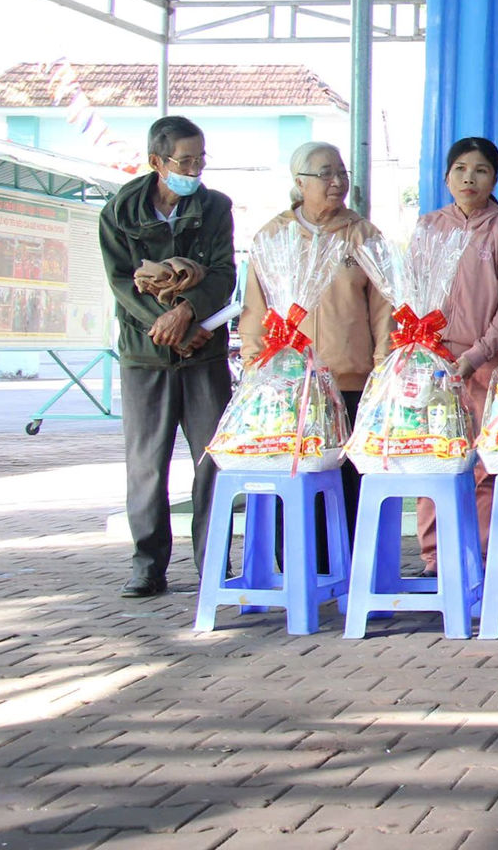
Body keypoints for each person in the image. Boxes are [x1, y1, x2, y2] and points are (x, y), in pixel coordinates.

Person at [99, 115, 237, 598]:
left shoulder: (216, 207)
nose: (195, 169)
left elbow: (224, 273)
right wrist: (167, 328)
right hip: (145, 355)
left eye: (201, 159)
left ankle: (213, 563)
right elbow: (121, 282)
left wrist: (188, 313)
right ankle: (147, 564)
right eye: (185, 161)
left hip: (204, 352)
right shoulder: (119, 212)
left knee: (212, 460)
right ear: (157, 162)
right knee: (146, 464)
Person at [239, 141, 390, 563]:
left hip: (350, 379)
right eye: (326, 174)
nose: (337, 182)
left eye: (342, 173)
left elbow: (384, 310)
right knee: (294, 476)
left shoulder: (363, 234)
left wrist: (382, 367)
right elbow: (255, 307)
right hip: (291, 386)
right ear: (299, 182)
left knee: (347, 478)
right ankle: (297, 565)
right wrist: (254, 365)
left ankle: (348, 565)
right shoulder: (273, 235)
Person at [417, 137, 498, 573]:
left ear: (494, 179)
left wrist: (477, 355)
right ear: (447, 177)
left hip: (487, 364)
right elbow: (413, 295)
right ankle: (434, 556)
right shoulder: (429, 227)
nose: (469, 178)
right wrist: (426, 352)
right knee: (435, 455)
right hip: (436, 362)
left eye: (480, 170)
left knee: (485, 462)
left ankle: (482, 554)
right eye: (461, 169)